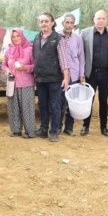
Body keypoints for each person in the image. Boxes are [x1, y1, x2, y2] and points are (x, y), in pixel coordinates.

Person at [33, 12, 70, 142]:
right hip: (40, 79)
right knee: (42, 105)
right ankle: (43, 129)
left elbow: (64, 61)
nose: (44, 24)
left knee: (55, 105)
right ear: (39, 24)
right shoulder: (37, 38)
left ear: (52, 23)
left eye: (46, 21)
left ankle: (54, 131)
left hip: (55, 79)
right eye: (42, 21)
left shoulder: (59, 39)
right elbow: (35, 59)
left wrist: (66, 78)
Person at [81, 10, 108, 137]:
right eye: (98, 18)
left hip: (106, 73)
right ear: (94, 19)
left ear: (106, 20)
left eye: (103, 18)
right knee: (88, 100)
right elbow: (81, 55)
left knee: (103, 100)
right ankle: (85, 126)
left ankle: (104, 127)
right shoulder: (85, 33)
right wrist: (82, 74)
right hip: (90, 73)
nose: (100, 21)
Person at [3, 28, 36, 138]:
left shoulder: (30, 49)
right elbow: (4, 65)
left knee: (27, 108)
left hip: (26, 83)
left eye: (18, 36)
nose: (16, 38)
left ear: (22, 36)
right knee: (13, 107)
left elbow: (35, 66)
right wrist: (7, 71)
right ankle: (16, 130)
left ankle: (30, 131)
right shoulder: (9, 50)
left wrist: (24, 67)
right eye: (14, 37)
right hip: (12, 83)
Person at [58, 13, 85, 136]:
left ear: (74, 25)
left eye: (71, 23)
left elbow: (81, 57)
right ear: (63, 23)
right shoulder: (57, 37)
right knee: (59, 102)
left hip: (74, 74)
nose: (69, 25)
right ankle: (57, 127)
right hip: (60, 75)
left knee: (71, 103)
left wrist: (82, 75)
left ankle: (69, 128)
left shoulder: (78, 38)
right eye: (67, 22)